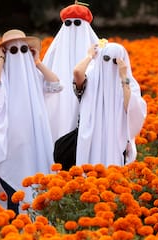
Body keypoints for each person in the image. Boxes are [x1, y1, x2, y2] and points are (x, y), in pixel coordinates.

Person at [0, 29, 63, 213]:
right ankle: (14, 219)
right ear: (5, 53)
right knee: (11, 180)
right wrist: (0, 60)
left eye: (24, 49)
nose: (20, 54)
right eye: (13, 51)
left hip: (34, 139)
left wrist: (38, 62)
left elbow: (56, 84)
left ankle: (35, 216)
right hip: (9, 140)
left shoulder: (34, 75)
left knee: (34, 177)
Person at [73, 41, 147, 166]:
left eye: (115, 62)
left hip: (115, 139)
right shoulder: (90, 78)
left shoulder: (127, 84)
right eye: (106, 59)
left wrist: (124, 76)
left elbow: (130, 108)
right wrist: (90, 56)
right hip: (91, 138)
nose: (110, 65)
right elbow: (77, 72)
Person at [43, 1, 99, 142]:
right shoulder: (54, 50)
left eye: (78, 24)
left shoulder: (98, 50)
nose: (73, 28)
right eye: (68, 24)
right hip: (59, 101)